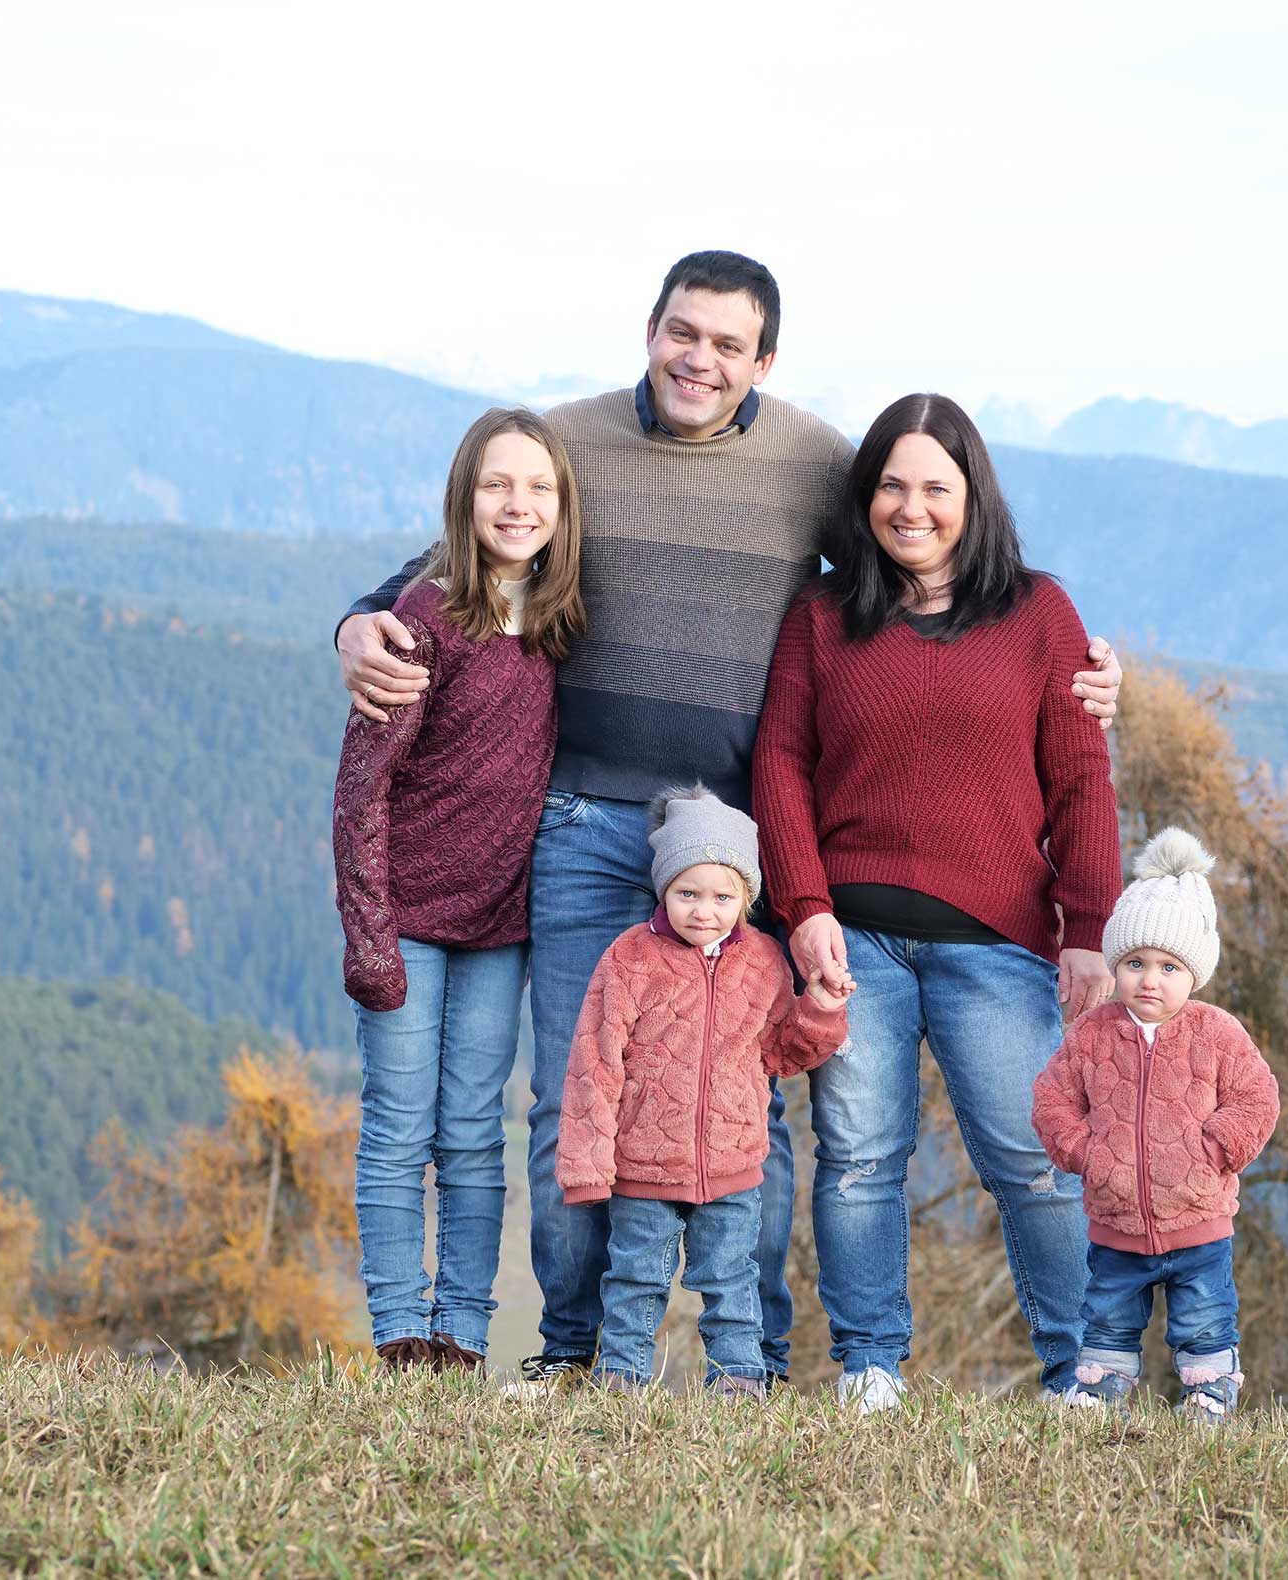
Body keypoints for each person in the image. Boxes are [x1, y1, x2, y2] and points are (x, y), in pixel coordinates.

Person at [337, 252, 1123, 1390]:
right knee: (573, 1100)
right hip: (582, 825)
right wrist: (359, 623)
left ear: (763, 360)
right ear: (650, 330)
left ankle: (747, 1361)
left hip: (727, 849)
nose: (697, 359)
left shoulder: (814, 461)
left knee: (746, 1107)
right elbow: (469, 550)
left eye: (726, 343)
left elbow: (927, 583)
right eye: (681, 332)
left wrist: (1086, 673)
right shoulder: (573, 442)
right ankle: (573, 1351)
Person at [752, 392, 1121, 1411]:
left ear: (973, 496)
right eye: (892, 486)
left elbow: (1084, 778)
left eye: (935, 488)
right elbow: (781, 762)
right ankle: (870, 1366)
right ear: (866, 496)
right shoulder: (822, 616)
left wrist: (1089, 933)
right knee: (861, 1158)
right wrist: (805, 902)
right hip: (851, 936)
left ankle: (1081, 1374)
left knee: (1035, 1161)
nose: (911, 507)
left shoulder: (1040, 615)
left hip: (995, 942)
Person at [331, 408, 585, 1372]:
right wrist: (369, 937)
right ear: (463, 498)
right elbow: (360, 792)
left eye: (538, 489)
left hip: (499, 926)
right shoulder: (425, 618)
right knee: (399, 1124)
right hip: (406, 922)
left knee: (474, 1134)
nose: (517, 505)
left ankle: (462, 1336)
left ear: (563, 506)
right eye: (496, 485)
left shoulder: (564, 623)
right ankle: (400, 1332)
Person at [555, 787, 853, 1393]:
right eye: (688, 893)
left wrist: (818, 1010)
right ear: (664, 889)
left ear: (746, 897)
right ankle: (621, 1378)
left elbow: (778, 1053)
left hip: (733, 1165)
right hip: (642, 1165)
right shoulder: (630, 959)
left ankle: (740, 1379)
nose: (704, 910)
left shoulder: (765, 960)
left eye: (723, 896)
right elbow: (595, 1062)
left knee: (731, 1277)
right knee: (635, 1276)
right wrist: (587, 1167)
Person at [1031, 827, 1281, 1421]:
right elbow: (1052, 1100)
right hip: (1115, 1223)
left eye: (1169, 967)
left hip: (1198, 1220)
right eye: (1136, 963)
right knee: (1109, 1315)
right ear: (1117, 965)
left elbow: (1257, 1097)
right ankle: (1098, 1390)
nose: (1150, 979)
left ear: (1194, 973)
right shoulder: (1091, 1034)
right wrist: (1086, 1152)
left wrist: (1214, 1148)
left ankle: (1209, 1395)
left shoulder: (1216, 1033)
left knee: (1204, 1318)